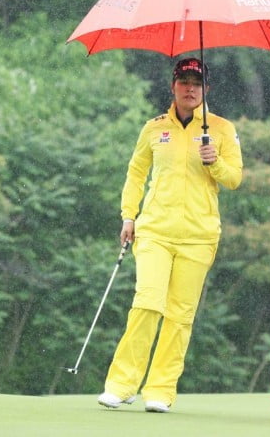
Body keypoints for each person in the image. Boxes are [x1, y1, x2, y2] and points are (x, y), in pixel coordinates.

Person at [97, 58, 243, 413]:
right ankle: (121, 384)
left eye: (197, 82)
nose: (190, 88)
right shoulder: (154, 128)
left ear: (206, 89)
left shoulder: (222, 129)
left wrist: (214, 162)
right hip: (155, 232)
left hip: (199, 235)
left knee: (180, 315)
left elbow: (235, 178)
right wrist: (128, 216)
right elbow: (136, 173)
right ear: (173, 86)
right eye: (184, 82)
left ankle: (160, 390)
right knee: (147, 303)